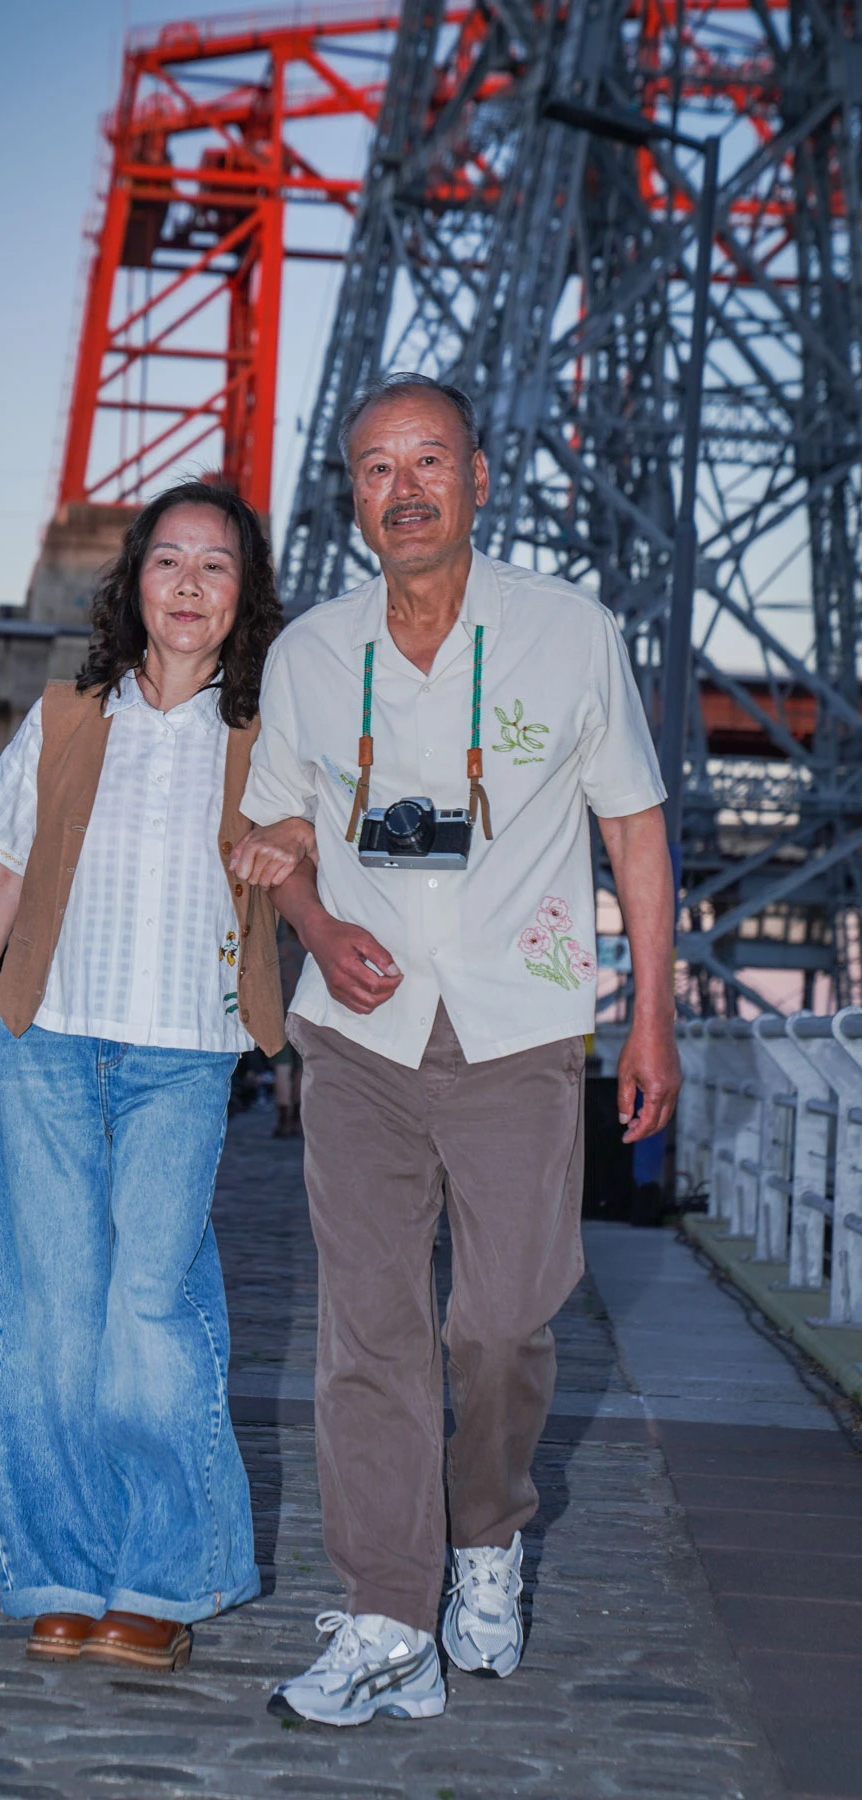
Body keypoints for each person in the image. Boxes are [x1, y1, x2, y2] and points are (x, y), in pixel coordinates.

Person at [233, 371, 681, 1726]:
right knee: (367, 1334)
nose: (405, 489)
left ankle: (486, 1532)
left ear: (479, 479)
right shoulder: (309, 652)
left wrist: (651, 1010)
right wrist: (309, 918)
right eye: (376, 467)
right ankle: (386, 1615)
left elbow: (637, 832)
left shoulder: (568, 632)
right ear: (352, 494)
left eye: (430, 461)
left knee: (500, 1324)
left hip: (522, 1024)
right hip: (357, 1039)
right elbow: (277, 838)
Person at [0, 480, 287, 1673]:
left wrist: (287, 845)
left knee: (146, 1310)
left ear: (245, 598)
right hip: (45, 1043)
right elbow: (4, 875)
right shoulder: (71, 716)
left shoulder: (267, 727)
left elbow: (319, 854)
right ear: (132, 583)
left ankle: (168, 1576)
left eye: (217, 567)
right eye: (168, 561)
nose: (189, 585)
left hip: (183, 1057)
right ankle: (65, 1570)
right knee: (46, 1319)